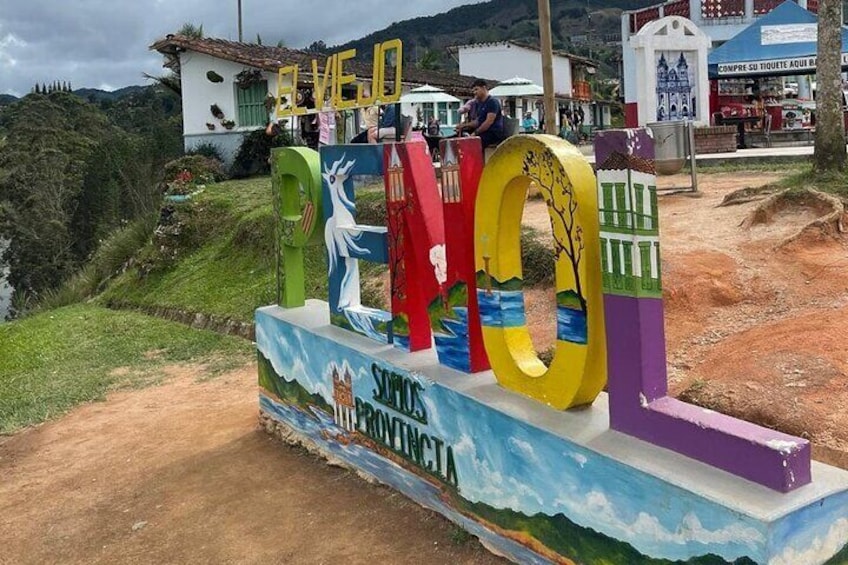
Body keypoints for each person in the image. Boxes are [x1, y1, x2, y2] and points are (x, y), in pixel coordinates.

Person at [469, 79, 506, 148]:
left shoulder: (492, 102)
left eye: (476, 89)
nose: (475, 92)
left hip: (493, 133)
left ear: (484, 88)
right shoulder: (479, 104)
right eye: (473, 91)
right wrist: (464, 126)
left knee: (473, 143)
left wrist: (475, 133)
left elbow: (488, 122)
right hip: (483, 132)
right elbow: (478, 121)